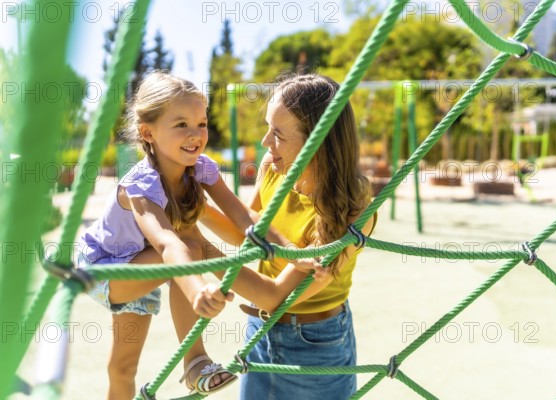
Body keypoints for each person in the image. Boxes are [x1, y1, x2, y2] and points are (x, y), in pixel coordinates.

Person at [76, 71, 261, 399]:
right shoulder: (141, 185)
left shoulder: (199, 169)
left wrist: (288, 247)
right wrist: (197, 290)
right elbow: (168, 243)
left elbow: (241, 223)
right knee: (187, 245)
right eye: (181, 125)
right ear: (148, 132)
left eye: (201, 124)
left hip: (146, 266)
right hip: (106, 269)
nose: (195, 135)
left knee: (122, 368)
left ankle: (193, 365)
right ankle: (196, 362)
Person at [198, 73, 376, 400]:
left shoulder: (353, 212)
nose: (266, 142)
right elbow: (248, 233)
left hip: (316, 346)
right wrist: (196, 209)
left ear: (318, 141)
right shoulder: (272, 166)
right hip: (260, 333)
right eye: (268, 127)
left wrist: (198, 250)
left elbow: (276, 297)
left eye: (278, 133)